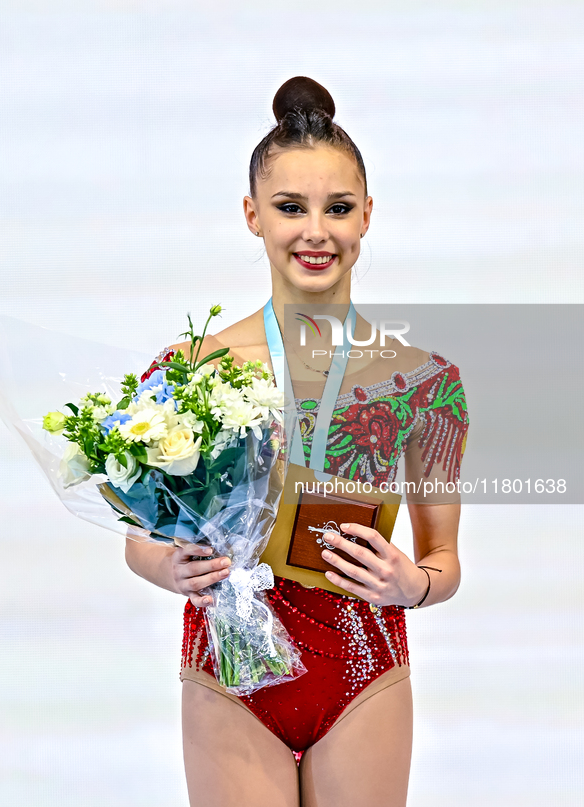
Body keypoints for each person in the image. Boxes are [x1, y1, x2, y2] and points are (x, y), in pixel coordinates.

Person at [124, 76, 469, 807]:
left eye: (337, 208)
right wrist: (170, 569)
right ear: (252, 214)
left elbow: (444, 559)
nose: (316, 230)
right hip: (230, 668)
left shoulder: (425, 383)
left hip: (362, 670)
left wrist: (416, 584)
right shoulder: (188, 371)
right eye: (290, 207)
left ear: (367, 215)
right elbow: (139, 541)